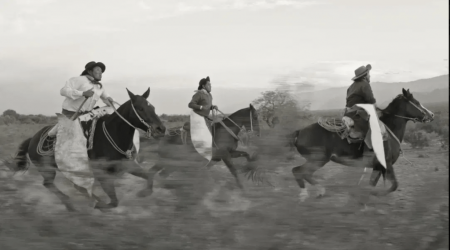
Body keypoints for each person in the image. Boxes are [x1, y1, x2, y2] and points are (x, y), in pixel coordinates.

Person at [48, 61, 115, 137]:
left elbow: (106, 97)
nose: (100, 73)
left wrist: (109, 99)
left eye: (101, 71)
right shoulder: (78, 80)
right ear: (90, 71)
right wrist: (82, 93)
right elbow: (63, 91)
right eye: (98, 70)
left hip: (88, 115)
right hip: (71, 113)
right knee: (58, 135)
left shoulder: (100, 86)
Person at [343, 64, 387, 148]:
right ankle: (374, 150)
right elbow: (371, 101)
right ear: (365, 76)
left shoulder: (351, 87)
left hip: (348, 114)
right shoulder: (365, 85)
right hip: (358, 114)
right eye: (368, 74)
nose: (369, 76)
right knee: (380, 129)